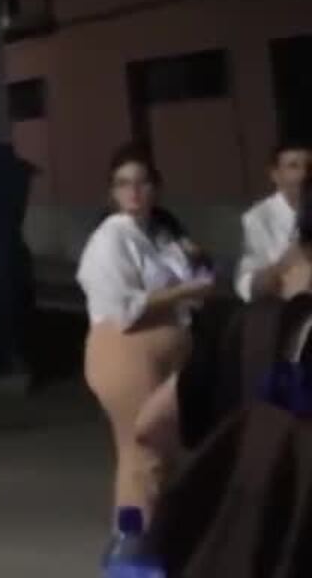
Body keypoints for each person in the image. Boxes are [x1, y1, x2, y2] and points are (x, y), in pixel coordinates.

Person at [76, 143, 214, 524]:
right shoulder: (110, 238)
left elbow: (198, 284)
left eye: (142, 182)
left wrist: (195, 265)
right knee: (142, 452)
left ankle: (159, 535)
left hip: (169, 351)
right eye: (123, 184)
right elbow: (125, 307)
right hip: (126, 352)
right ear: (112, 192)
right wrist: (185, 291)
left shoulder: (162, 235)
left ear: (156, 188)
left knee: (165, 453)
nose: (133, 192)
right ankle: (133, 541)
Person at [234, 139, 311, 301]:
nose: (304, 174)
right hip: (282, 304)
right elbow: (247, 285)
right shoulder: (257, 218)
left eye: (310, 167)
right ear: (275, 175)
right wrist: (285, 264)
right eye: (293, 166)